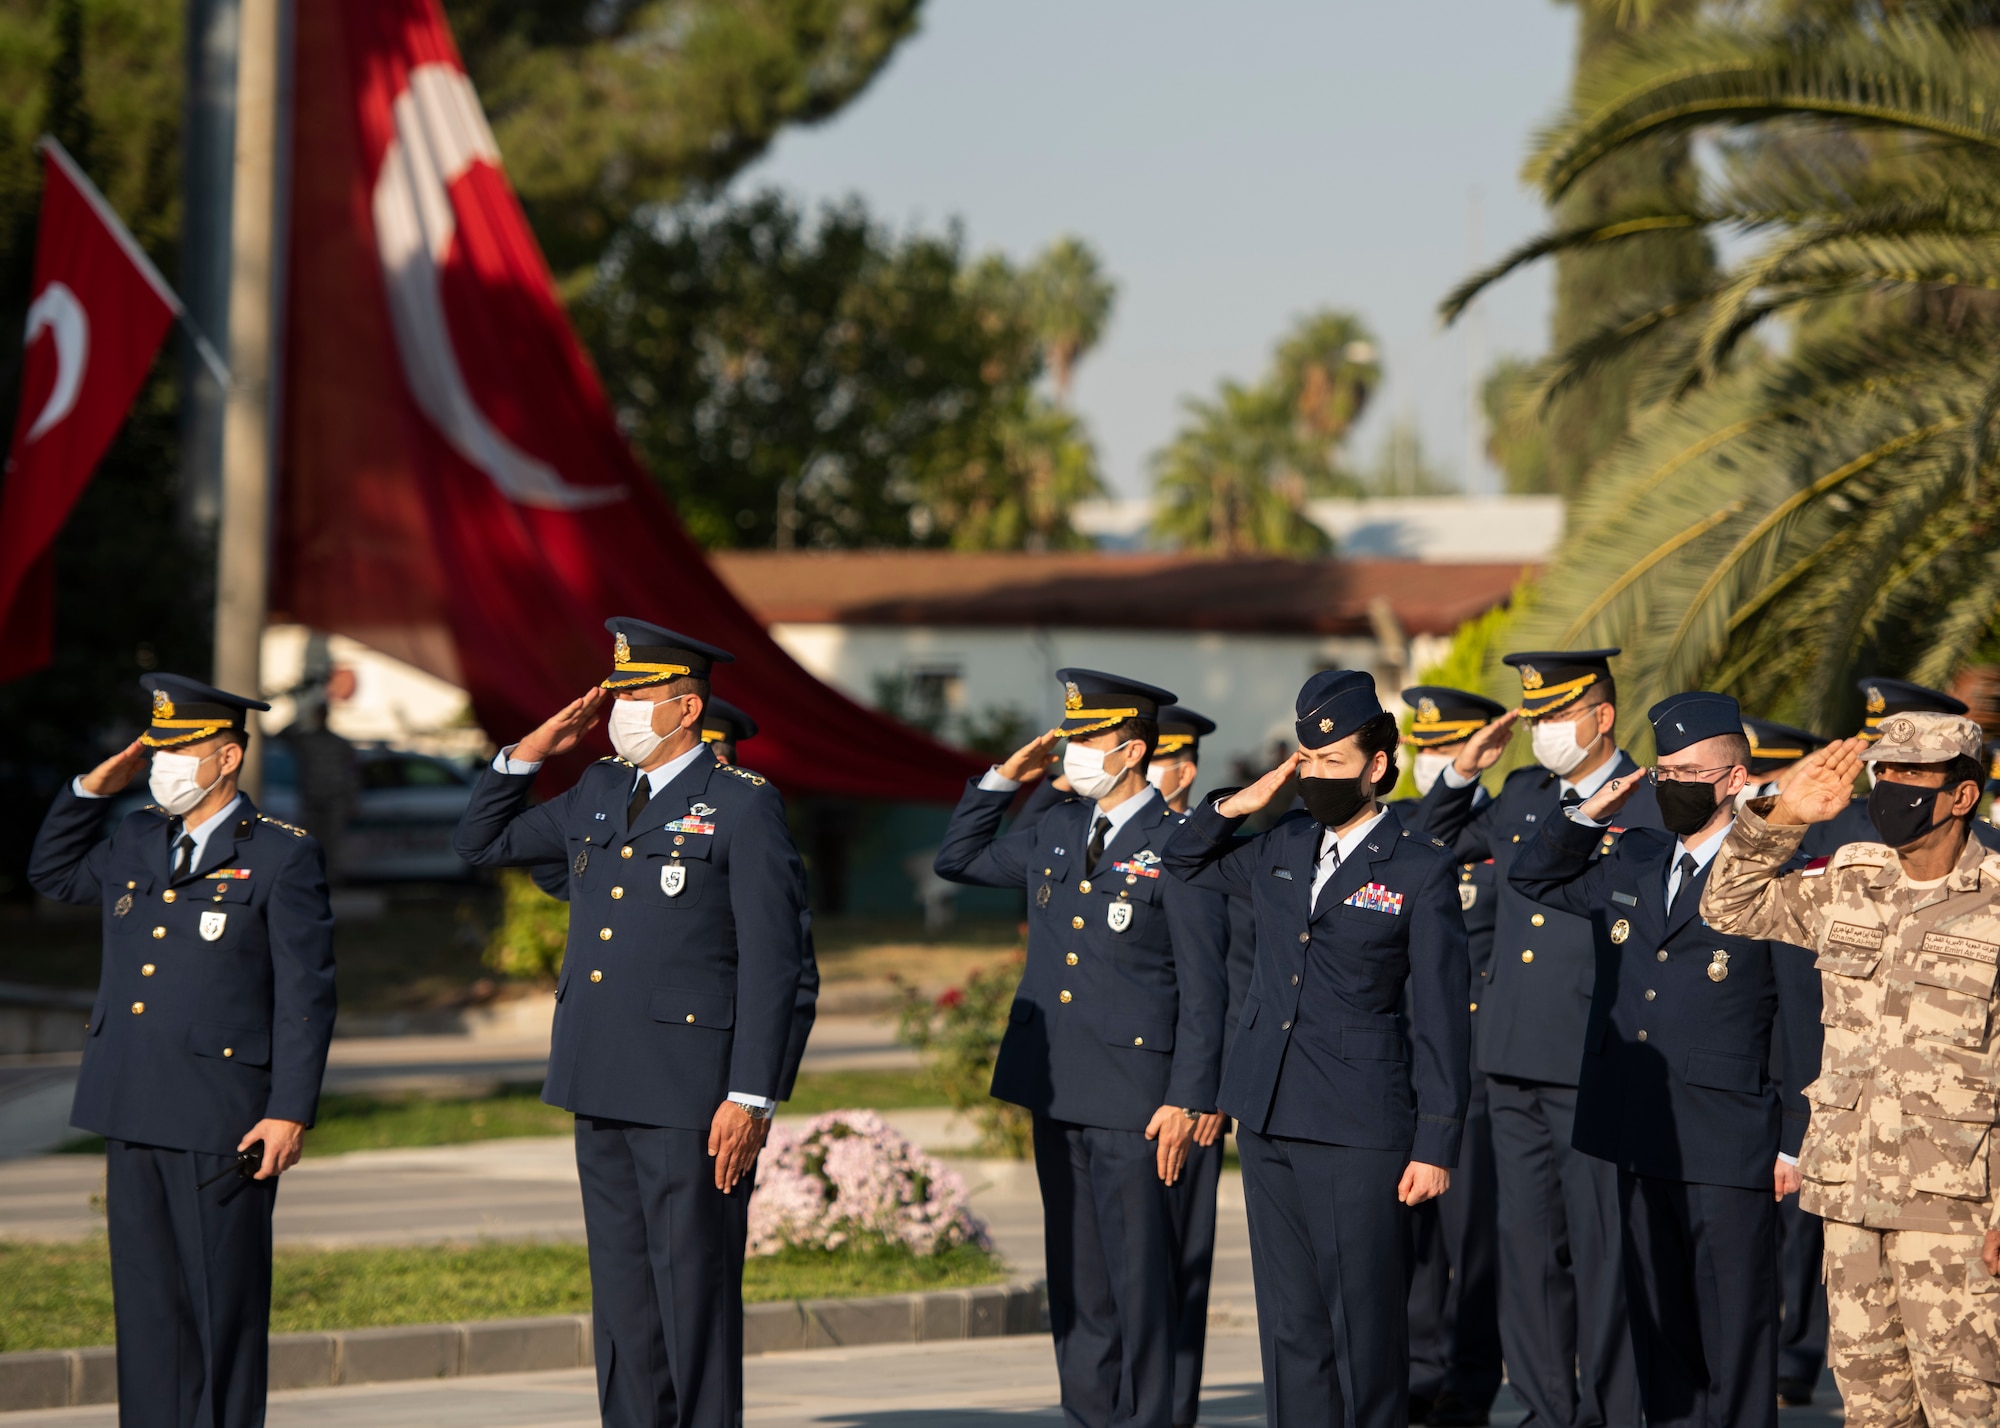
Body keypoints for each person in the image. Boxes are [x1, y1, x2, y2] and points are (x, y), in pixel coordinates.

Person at [453, 619, 809, 1428]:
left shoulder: (740, 806)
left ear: (686, 709)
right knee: (622, 1301)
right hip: (599, 1075)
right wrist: (529, 752)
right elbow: (480, 844)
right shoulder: (601, 790)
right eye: (618, 694)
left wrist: (751, 1096)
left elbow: (774, 961)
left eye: (638, 695)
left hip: (691, 1093)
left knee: (693, 1296)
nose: (620, 709)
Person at [1163, 668, 1470, 1428]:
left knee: (1362, 1330)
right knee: (1292, 1330)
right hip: (1268, 1114)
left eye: (1334, 763)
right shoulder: (1280, 844)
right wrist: (1239, 804)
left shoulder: (1418, 867)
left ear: (1375, 765)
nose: (1318, 777)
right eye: (1308, 762)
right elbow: (1181, 861)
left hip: (1361, 1127)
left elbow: (1440, 1019)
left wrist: (1436, 1143)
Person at [29, 674, 337, 1428]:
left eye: (179, 749)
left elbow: (306, 995)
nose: (162, 763)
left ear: (226, 758)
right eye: (155, 749)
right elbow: (52, 874)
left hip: (219, 1121)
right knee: (148, 1316)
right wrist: (91, 787)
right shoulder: (136, 835)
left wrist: (289, 1113)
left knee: (218, 1314)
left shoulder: (279, 855)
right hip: (131, 1105)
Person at [1509, 691, 1823, 1428]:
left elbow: (1799, 1023)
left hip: (1728, 1134)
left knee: (1735, 1336)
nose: (1673, 782)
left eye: (1693, 770)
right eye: (1666, 768)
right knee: (1661, 1331)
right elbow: (1534, 878)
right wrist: (1585, 816)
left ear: (1736, 779)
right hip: (1640, 1127)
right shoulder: (1639, 854)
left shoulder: (1776, 876)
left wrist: (1793, 1139)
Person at [933, 670, 1229, 1428]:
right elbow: (957, 860)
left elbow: (1205, 989)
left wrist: (1192, 1096)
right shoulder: (1059, 828)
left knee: (1142, 1283)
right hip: (1057, 1085)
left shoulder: (1179, 843)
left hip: (1138, 1095)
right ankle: (1090, 1413)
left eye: (1088, 738)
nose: (1072, 750)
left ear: (1132, 751)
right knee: (1079, 1281)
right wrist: (1002, 778)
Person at [1701, 711, 2000, 1428]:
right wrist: (1781, 818)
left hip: (1957, 1215)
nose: (1890, 788)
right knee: (1871, 1413)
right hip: (1851, 1202)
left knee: (1968, 1411)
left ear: (1962, 797)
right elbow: (1727, 906)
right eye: (1884, 772)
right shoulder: (1849, 879)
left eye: (1912, 776)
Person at [1417, 648, 1660, 1428]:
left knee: (1601, 1250)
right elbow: (1426, 845)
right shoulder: (1522, 794)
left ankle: (1612, 1410)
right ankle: (1546, 1408)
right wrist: (1460, 774)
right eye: (1539, 717)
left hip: (1594, 1053)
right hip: (1512, 1054)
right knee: (1524, 1249)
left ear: (1602, 717)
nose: (1546, 731)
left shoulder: (1648, 804)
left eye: (1559, 714)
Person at [1397, 685, 1508, 1427]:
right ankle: (1416, 1367)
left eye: (1449, 748)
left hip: (1480, 1063)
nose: (1433, 760)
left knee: (1475, 1234)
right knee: (1411, 1233)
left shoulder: (1511, 826)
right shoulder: (1403, 828)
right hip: (1406, 1057)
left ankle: (1470, 1378)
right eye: (1426, 748)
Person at [1743, 714, 1837, 1407]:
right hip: (1749, 1070)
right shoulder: (1741, 842)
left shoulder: (1828, 846)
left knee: (1802, 1232)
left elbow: (1804, 995)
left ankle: (1796, 1353)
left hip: (1803, 1072)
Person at [1802, 678, 2000, 857]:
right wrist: (1786, 813)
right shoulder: (1834, 820)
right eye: (1878, 756)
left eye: (1909, 768)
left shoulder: (1986, 843)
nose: (1887, 778)